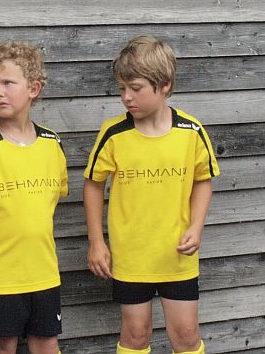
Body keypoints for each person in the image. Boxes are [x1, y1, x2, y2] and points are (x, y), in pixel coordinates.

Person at [83, 36, 220, 354]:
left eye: (135, 88)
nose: (126, 97)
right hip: (131, 257)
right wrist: (96, 241)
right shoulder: (114, 134)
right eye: (121, 89)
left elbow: (203, 181)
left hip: (177, 256)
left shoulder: (191, 131)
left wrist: (196, 226)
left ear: (165, 85)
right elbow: (93, 184)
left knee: (186, 335)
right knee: (135, 334)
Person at [0, 41, 68, 354]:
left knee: (47, 343)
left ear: (33, 88)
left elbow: (50, 203)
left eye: (8, 83)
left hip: (43, 271)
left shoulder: (51, 143)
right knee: (3, 345)